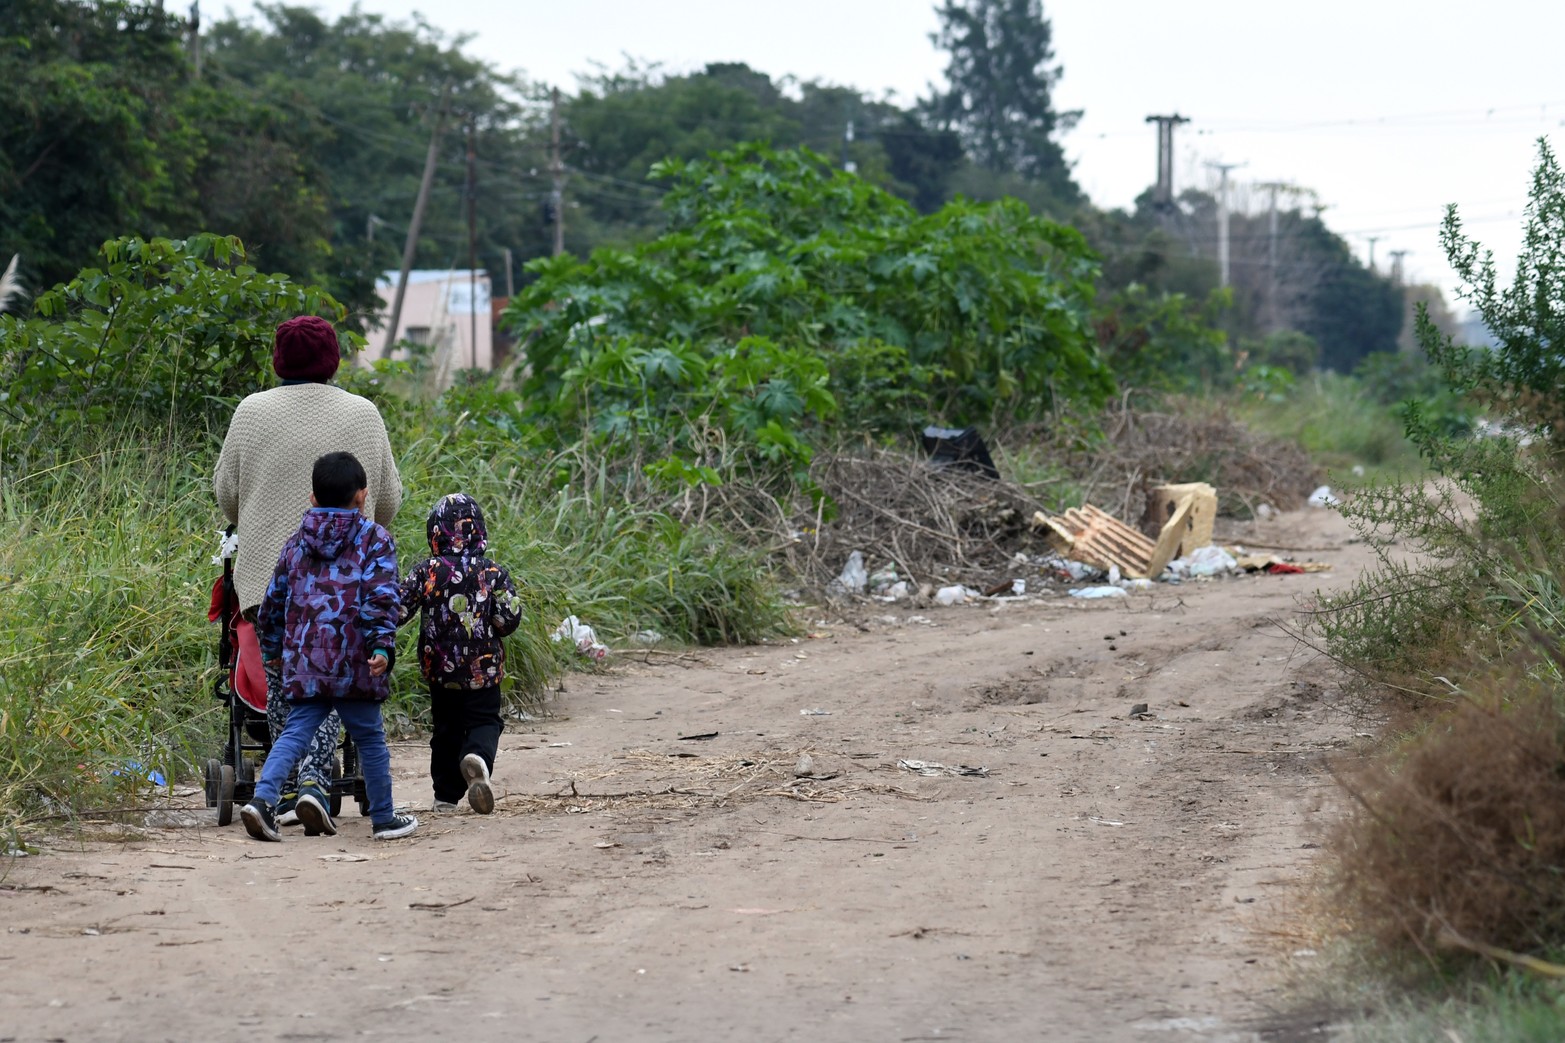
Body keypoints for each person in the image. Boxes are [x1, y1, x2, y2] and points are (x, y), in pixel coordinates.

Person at [214, 316, 402, 824]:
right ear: (333, 359)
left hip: (264, 581)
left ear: (279, 358)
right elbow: (387, 502)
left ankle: (296, 784)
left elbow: (226, 498)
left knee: (288, 684)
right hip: (350, 590)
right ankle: (315, 783)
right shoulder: (363, 413)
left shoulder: (250, 412)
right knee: (332, 680)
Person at [241, 452, 417, 842]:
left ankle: (262, 801)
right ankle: (384, 818)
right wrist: (382, 647)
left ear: (313, 499)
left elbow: (273, 603)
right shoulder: (375, 539)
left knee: (293, 734)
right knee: (370, 738)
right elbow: (381, 599)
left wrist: (272, 648)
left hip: (306, 660)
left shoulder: (295, 543)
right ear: (363, 495)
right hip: (355, 661)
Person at [400, 494, 524, 814]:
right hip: (484, 669)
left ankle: (445, 795)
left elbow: (398, 609)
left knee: (445, 729)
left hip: (440, 669)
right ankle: (478, 758)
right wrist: (493, 622)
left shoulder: (426, 572)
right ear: (480, 532)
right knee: (485, 720)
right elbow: (509, 618)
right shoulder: (493, 573)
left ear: (434, 534)